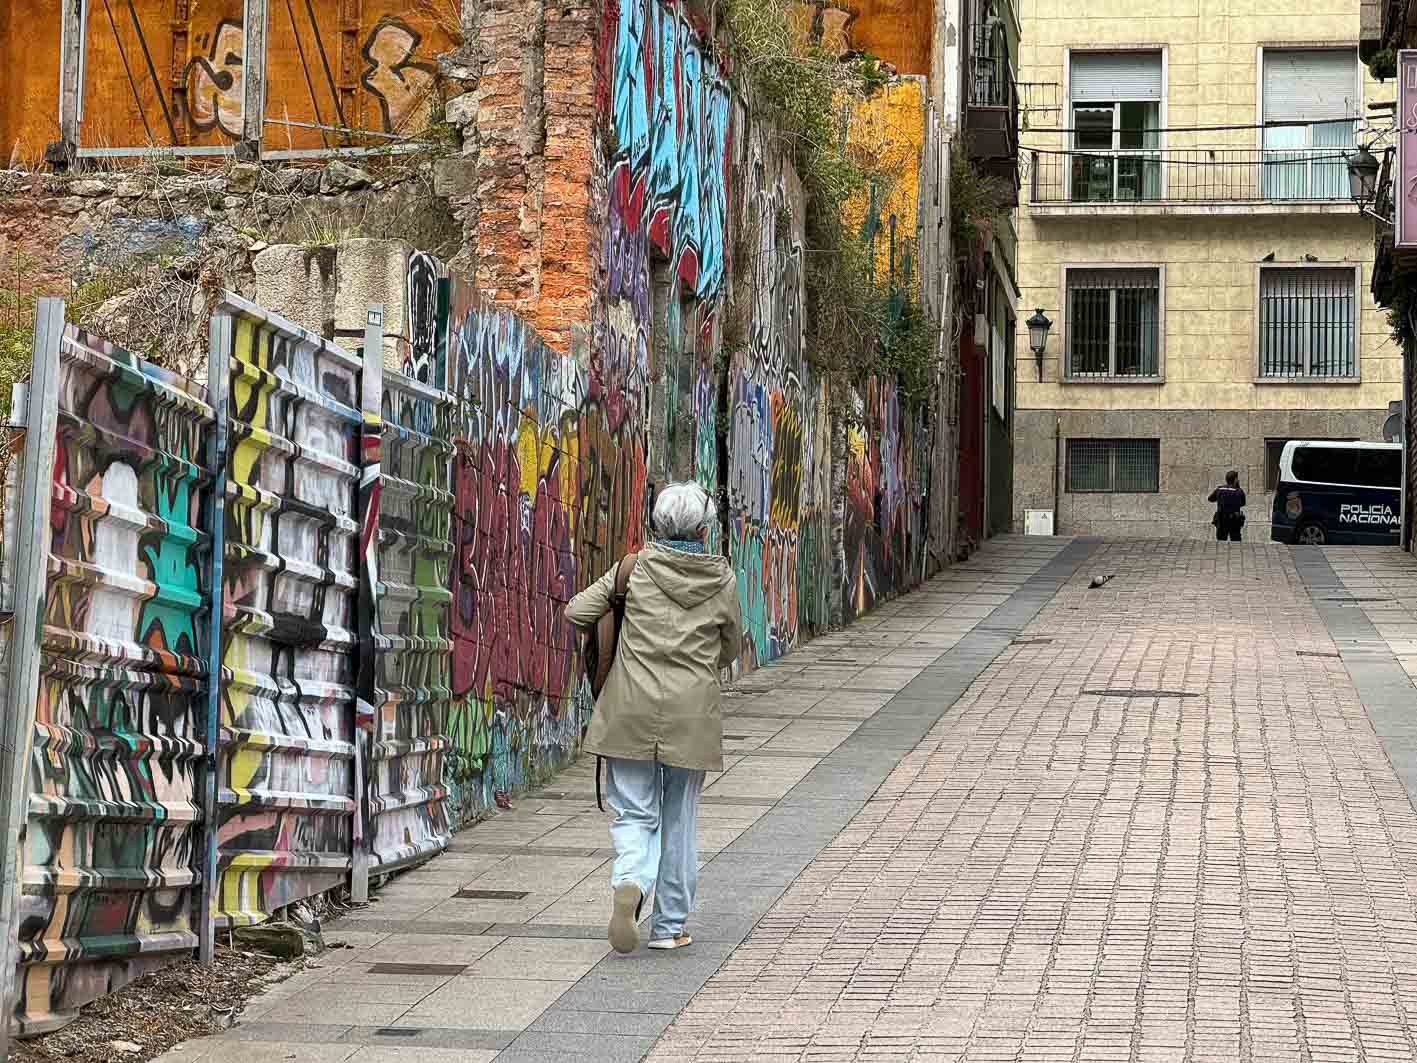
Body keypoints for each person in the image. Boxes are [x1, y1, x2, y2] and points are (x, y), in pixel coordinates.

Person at [564, 482, 742, 954]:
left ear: (656, 525)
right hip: (691, 714)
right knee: (680, 819)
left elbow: (577, 611)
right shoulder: (722, 580)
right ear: (704, 530)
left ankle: (630, 883)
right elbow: (732, 647)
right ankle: (669, 928)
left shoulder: (634, 569)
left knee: (634, 812)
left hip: (629, 711)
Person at [1209, 470, 1246, 542]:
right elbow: (1243, 503)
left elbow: (1210, 499)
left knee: (1221, 541)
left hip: (1221, 519)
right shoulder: (1239, 491)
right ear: (1235, 480)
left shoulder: (1219, 489)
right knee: (1236, 541)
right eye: (1237, 478)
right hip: (1234, 520)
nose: (1238, 480)